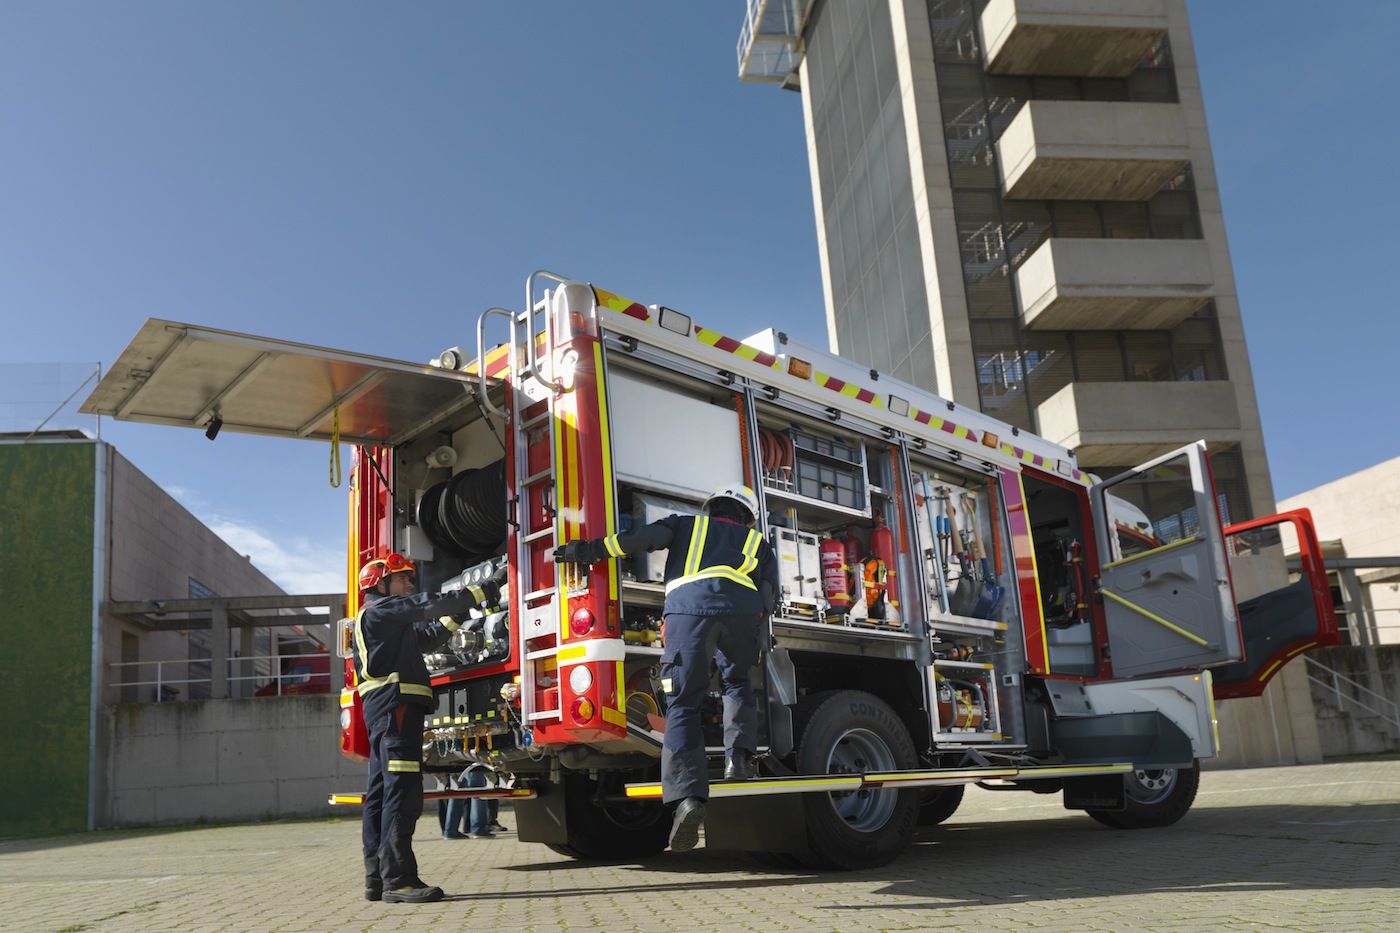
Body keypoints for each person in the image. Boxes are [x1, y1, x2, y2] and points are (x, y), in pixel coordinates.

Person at [554, 483, 778, 852]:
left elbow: (638, 540)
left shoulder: (687, 525)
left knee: (684, 705)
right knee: (737, 684)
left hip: (689, 613)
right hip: (742, 616)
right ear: (747, 517)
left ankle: (688, 799)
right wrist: (755, 621)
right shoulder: (758, 544)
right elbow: (769, 593)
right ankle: (738, 760)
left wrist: (589, 550)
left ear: (712, 508)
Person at [353, 552, 499, 904]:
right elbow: (427, 604)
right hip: (396, 707)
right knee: (402, 792)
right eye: (404, 579)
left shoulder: (383, 622)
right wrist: (481, 591)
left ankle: (377, 878)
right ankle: (399, 880)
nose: (410, 586)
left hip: (385, 711)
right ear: (381, 583)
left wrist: (459, 616)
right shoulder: (383, 609)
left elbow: (426, 640)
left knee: (380, 793)